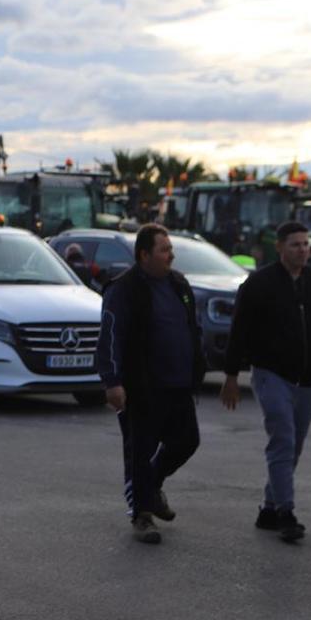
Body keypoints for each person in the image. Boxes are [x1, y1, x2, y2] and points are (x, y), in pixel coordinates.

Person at [220, 221, 311, 543]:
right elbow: (239, 330)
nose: (303, 250)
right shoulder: (259, 285)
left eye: (306, 244)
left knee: (293, 445)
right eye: (295, 244)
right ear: (280, 247)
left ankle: (269, 509)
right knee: (282, 438)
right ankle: (286, 512)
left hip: (308, 379)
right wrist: (231, 375)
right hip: (271, 374)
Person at [96, 224, 205, 544]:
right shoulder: (124, 289)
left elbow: (191, 328)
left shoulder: (178, 283)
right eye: (164, 250)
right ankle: (142, 515)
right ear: (144, 255)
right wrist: (112, 381)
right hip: (143, 385)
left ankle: (151, 487)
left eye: (170, 249)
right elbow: (110, 338)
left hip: (179, 384)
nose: (171, 255)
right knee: (140, 451)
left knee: (187, 441)